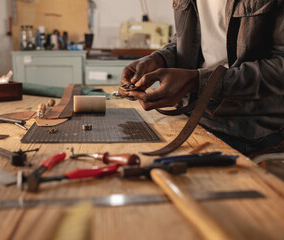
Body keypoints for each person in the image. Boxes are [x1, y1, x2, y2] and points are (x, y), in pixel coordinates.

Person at [119, 0, 284, 155]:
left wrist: (197, 81)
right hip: (191, 111)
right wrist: (159, 59)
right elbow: (187, 39)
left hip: (249, 123)